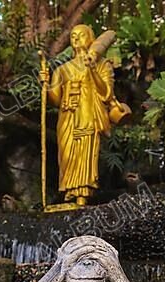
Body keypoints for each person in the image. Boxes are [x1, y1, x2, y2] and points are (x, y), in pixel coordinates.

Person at [39, 25, 114, 206]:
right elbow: (55, 99)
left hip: (88, 114)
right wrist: (46, 83)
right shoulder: (63, 70)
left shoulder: (103, 65)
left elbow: (107, 93)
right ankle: (70, 192)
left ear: (91, 38)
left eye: (81, 35)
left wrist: (93, 69)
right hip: (67, 118)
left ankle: (83, 193)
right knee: (67, 154)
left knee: (85, 151)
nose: (76, 38)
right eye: (73, 36)